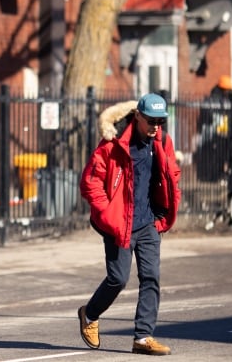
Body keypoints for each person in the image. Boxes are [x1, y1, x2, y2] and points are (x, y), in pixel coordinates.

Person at [77, 93, 181, 356]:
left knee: (151, 277)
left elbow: (172, 172)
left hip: (148, 223)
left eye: (161, 121)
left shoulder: (162, 141)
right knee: (118, 279)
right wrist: (108, 214)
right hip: (119, 224)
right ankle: (89, 314)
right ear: (137, 116)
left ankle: (143, 337)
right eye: (151, 120)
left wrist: (166, 208)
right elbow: (90, 182)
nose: (156, 126)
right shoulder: (113, 144)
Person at [195, 75, 232, 182]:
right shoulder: (218, 101)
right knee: (216, 156)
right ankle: (214, 176)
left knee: (216, 155)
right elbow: (211, 116)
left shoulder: (214, 100)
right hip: (214, 134)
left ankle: (216, 176)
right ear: (225, 90)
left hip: (216, 133)